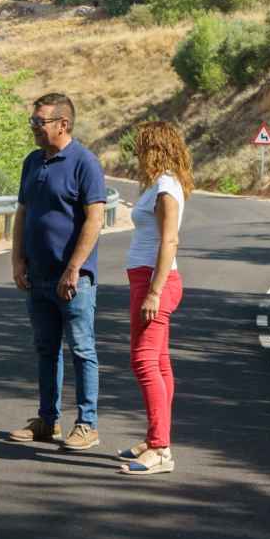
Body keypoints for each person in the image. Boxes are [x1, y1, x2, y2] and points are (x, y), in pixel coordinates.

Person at [7, 93, 106, 451]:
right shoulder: (33, 161)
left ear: (63, 124)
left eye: (40, 122)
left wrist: (74, 268)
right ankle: (47, 421)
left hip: (73, 279)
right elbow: (23, 213)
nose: (34, 128)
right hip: (38, 276)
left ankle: (87, 424)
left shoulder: (85, 163)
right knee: (46, 350)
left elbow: (94, 219)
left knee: (82, 349)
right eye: (33, 121)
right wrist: (17, 260)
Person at [117, 121, 192, 475]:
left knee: (143, 361)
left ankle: (161, 449)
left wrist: (154, 292)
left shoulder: (165, 187)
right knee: (159, 362)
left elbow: (170, 241)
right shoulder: (161, 184)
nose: (137, 154)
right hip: (146, 279)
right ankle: (155, 438)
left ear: (156, 148)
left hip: (154, 281)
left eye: (142, 146)